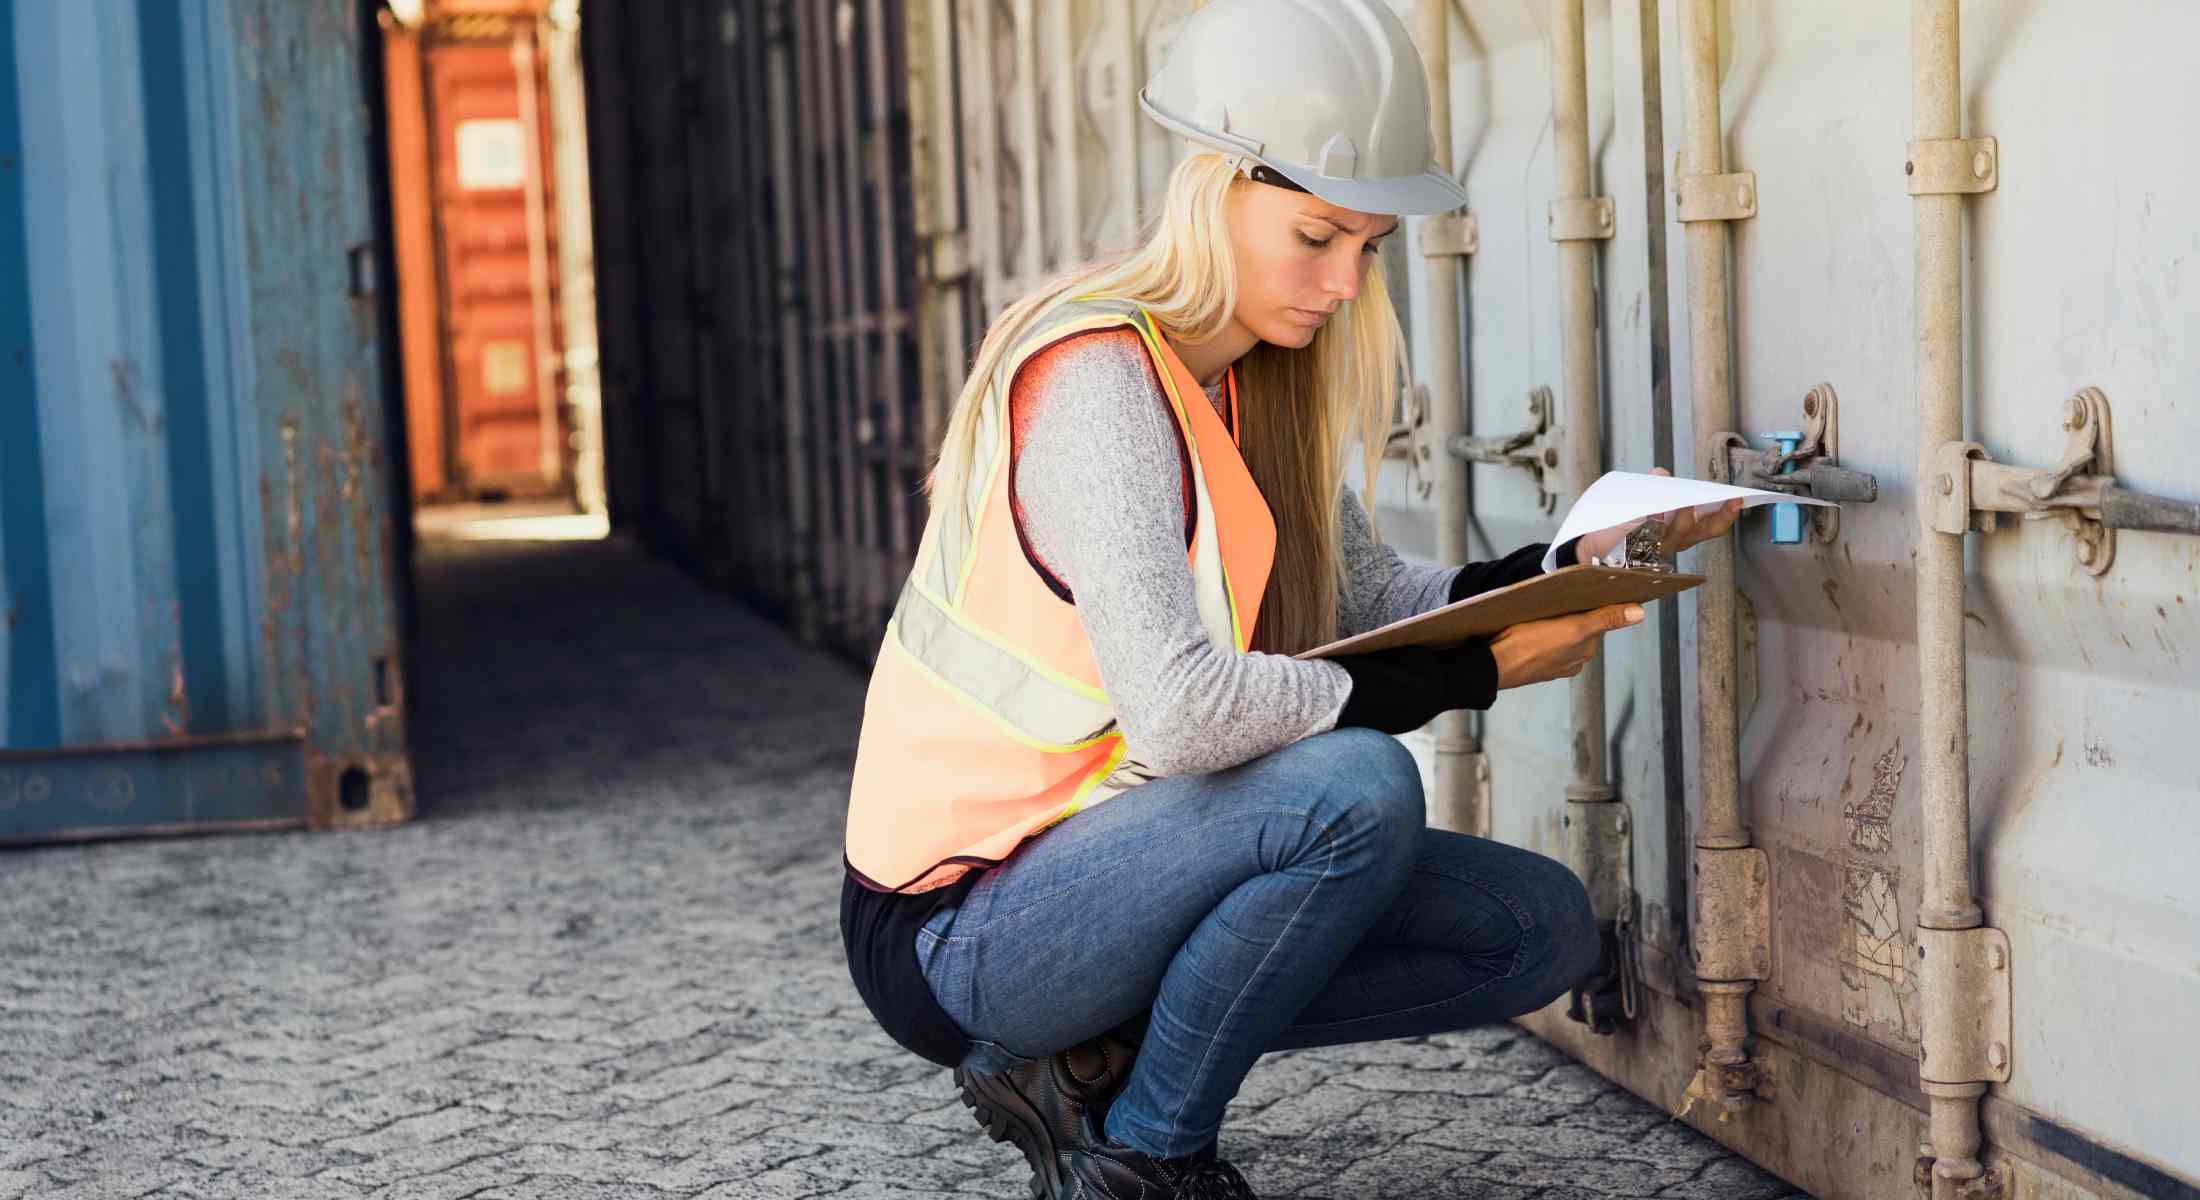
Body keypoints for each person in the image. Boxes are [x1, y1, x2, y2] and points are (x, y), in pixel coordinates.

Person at [837, 2, 1741, 1196]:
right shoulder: (1100, 378)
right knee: (1353, 786)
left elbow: (1377, 597)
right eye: (1317, 236)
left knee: (1538, 927)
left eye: (1366, 247)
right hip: (962, 925)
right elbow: (1178, 715)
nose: (1345, 282)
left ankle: (1085, 1067)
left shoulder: (1248, 384)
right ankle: (1145, 1154)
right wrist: (1472, 675)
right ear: (1215, 186)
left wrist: (1563, 568)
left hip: (1115, 863)